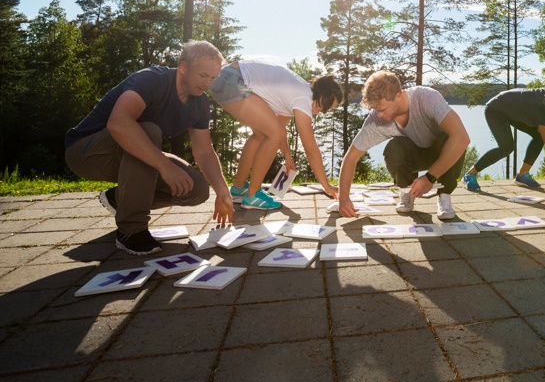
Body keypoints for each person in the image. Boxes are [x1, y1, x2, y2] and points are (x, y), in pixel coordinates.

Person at [65, 40, 234, 255]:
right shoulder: (152, 79)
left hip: (131, 157)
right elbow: (119, 123)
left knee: (197, 190)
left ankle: (118, 199)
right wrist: (165, 165)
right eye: (203, 76)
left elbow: (204, 151)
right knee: (149, 131)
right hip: (86, 153)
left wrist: (222, 191)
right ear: (183, 67)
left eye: (213, 78)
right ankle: (131, 230)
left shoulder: (199, 102)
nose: (208, 84)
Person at [336, 70, 470, 220]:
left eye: (382, 109)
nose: (379, 115)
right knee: (394, 148)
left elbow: (462, 138)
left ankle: (444, 196)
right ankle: (407, 193)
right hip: (416, 156)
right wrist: (343, 199)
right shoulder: (377, 119)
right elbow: (351, 157)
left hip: (440, 153)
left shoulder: (426, 97)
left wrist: (429, 178)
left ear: (398, 96)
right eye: (375, 110)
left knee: (452, 138)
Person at [210, 62, 342, 209]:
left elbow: (278, 129)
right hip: (232, 80)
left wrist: (287, 157)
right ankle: (252, 195)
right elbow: (310, 149)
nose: (325, 111)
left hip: (224, 79)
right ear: (321, 96)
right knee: (272, 133)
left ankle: (238, 188)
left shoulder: (298, 94)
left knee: (261, 134)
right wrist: (326, 186)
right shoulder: (303, 98)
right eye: (328, 105)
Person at [461, 76, 545, 195]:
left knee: (539, 136)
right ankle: (470, 174)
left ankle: (522, 175)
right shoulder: (543, 108)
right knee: (507, 147)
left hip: (512, 111)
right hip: (496, 109)